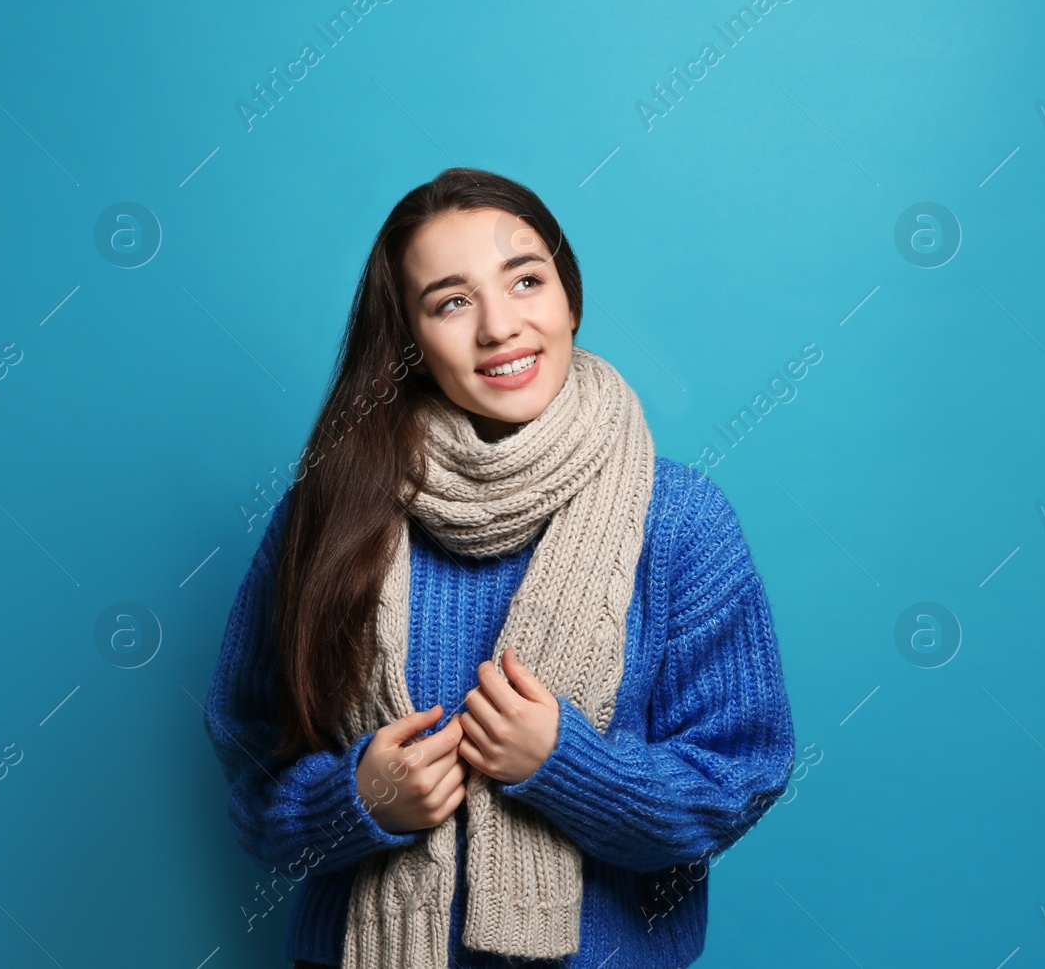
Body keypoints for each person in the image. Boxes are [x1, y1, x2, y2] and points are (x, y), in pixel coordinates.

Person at [202, 167, 797, 968]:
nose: (500, 326)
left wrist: (565, 765)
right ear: (408, 340)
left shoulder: (680, 520)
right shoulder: (329, 513)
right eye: (452, 301)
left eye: (526, 280)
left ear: (570, 297)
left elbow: (739, 777)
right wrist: (357, 798)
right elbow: (254, 771)